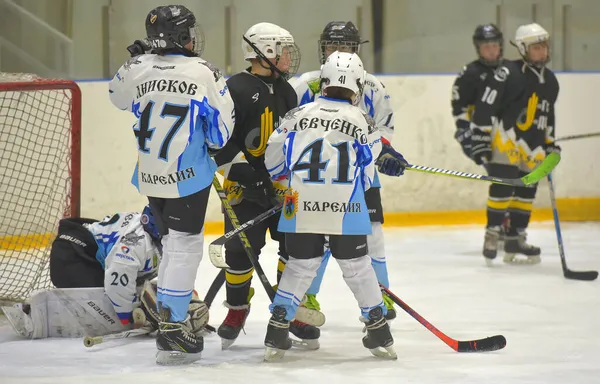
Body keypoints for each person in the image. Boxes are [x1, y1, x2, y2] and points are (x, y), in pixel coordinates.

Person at [108, 4, 234, 365]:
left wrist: (133, 62)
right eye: (189, 31)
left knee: (168, 242)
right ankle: (174, 326)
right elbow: (222, 132)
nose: (194, 37)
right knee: (185, 245)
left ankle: (167, 311)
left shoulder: (137, 67)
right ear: (180, 36)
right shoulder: (204, 72)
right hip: (187, 174)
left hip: (151, 175)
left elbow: (116, 97)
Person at [263, 51, 399, 361]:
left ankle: (276, 329)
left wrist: (287, 181)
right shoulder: (361, 119)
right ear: (357, 85)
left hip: (301, 204)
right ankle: (378, 330)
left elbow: (273, 160)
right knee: (357, 267)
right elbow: (368, 169)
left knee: (299, 265)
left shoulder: (297, 115)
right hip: (345, 207)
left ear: (324, 81)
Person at [290, 21, 404, 323]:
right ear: (322, 49)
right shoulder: (305, 84)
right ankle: (305, 298)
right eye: (331, 46)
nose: (338, 53)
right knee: (319, 238)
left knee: (373, 235)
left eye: (346, 47)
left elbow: (383, 127)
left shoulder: (373, 86)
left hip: (358, 171)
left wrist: (385, 153)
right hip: (314, 176)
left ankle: (380, 295)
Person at [212, 22, 312, 349]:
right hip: (245, 187)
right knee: (240, 251)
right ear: (264, 52)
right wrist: (245, 176)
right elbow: (221, 142)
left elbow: (296, 139)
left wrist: (290, 177)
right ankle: (237, 310)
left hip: (283, 188)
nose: (288, 57)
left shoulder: (287, 91)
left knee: (294, 250)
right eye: (282, 50)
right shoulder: (235, 88)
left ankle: (287, 308)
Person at [2, 207, 208, 340]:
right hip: (73, 257)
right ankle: (32, 317)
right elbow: (117, 281)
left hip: (84, 255)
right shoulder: (137, 242)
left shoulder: (154, 237)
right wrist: (128, 318)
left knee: (134, 298)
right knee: (110, 307)